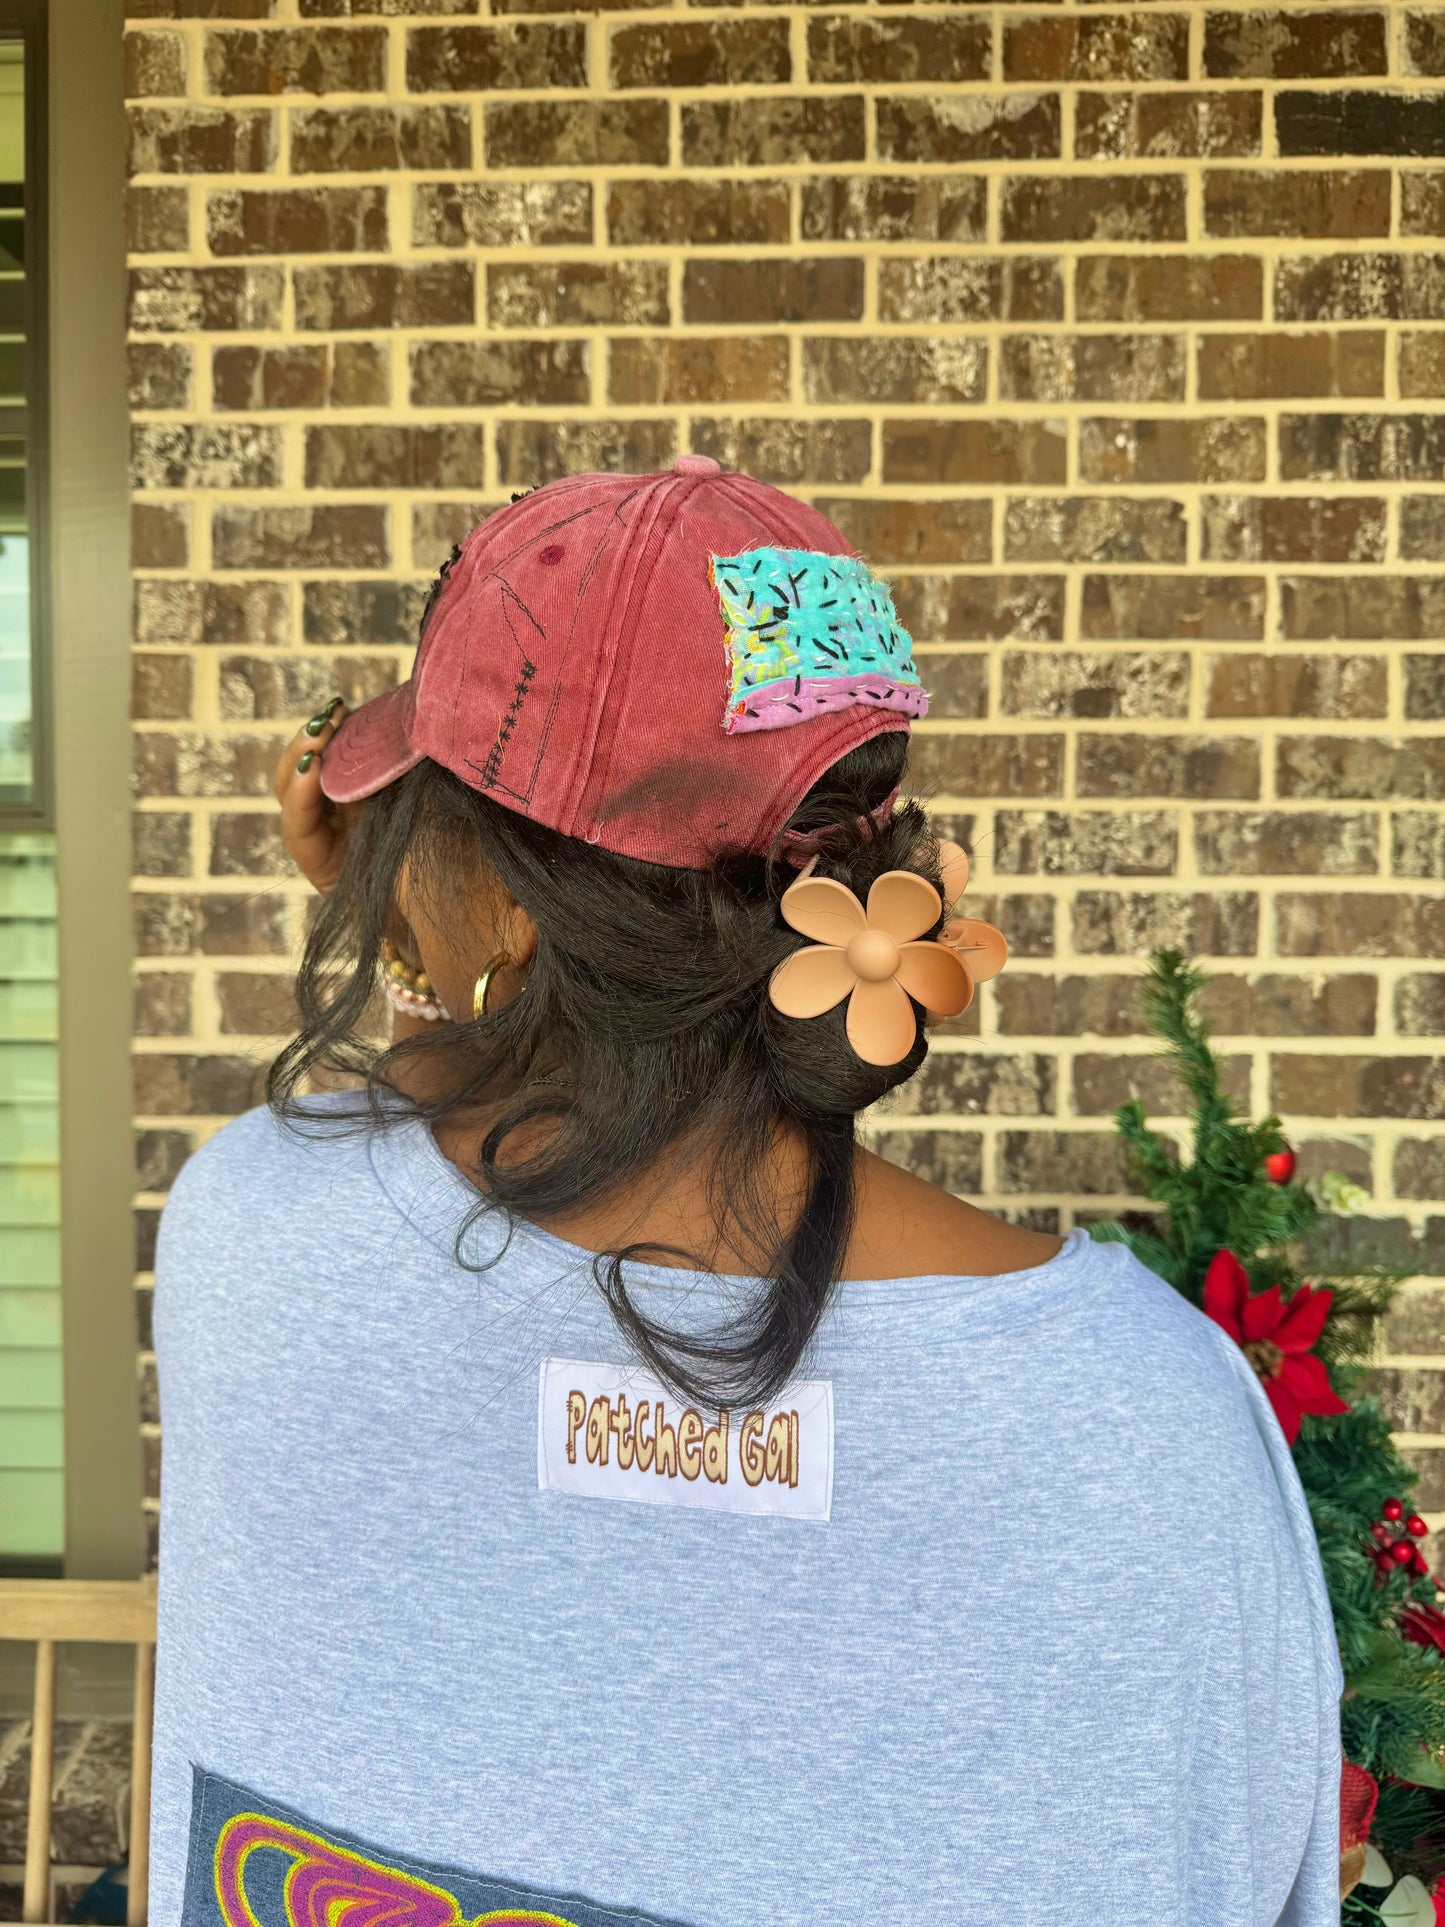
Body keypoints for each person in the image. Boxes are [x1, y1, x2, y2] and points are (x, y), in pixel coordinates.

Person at [150, 457, 1343, 1927]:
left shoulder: (250, 1238)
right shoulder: (1148, 1426)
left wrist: (412, 945)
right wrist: (447, 916)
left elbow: (404, 1172)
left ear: (500, 897)